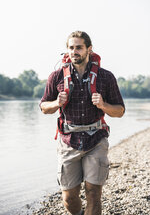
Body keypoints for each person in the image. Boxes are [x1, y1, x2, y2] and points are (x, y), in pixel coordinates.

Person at [40, 31, 125, 215]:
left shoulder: (106, 77)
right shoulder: (56, 77)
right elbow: (43, 107)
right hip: (68, 141)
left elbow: (120, 111)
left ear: (89, 49)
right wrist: (56, 103)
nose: (74, 51)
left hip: (96, 140)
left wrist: (103, 105)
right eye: (71, 48)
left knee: (94, 193)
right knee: (69, 198)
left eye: (79, 47)